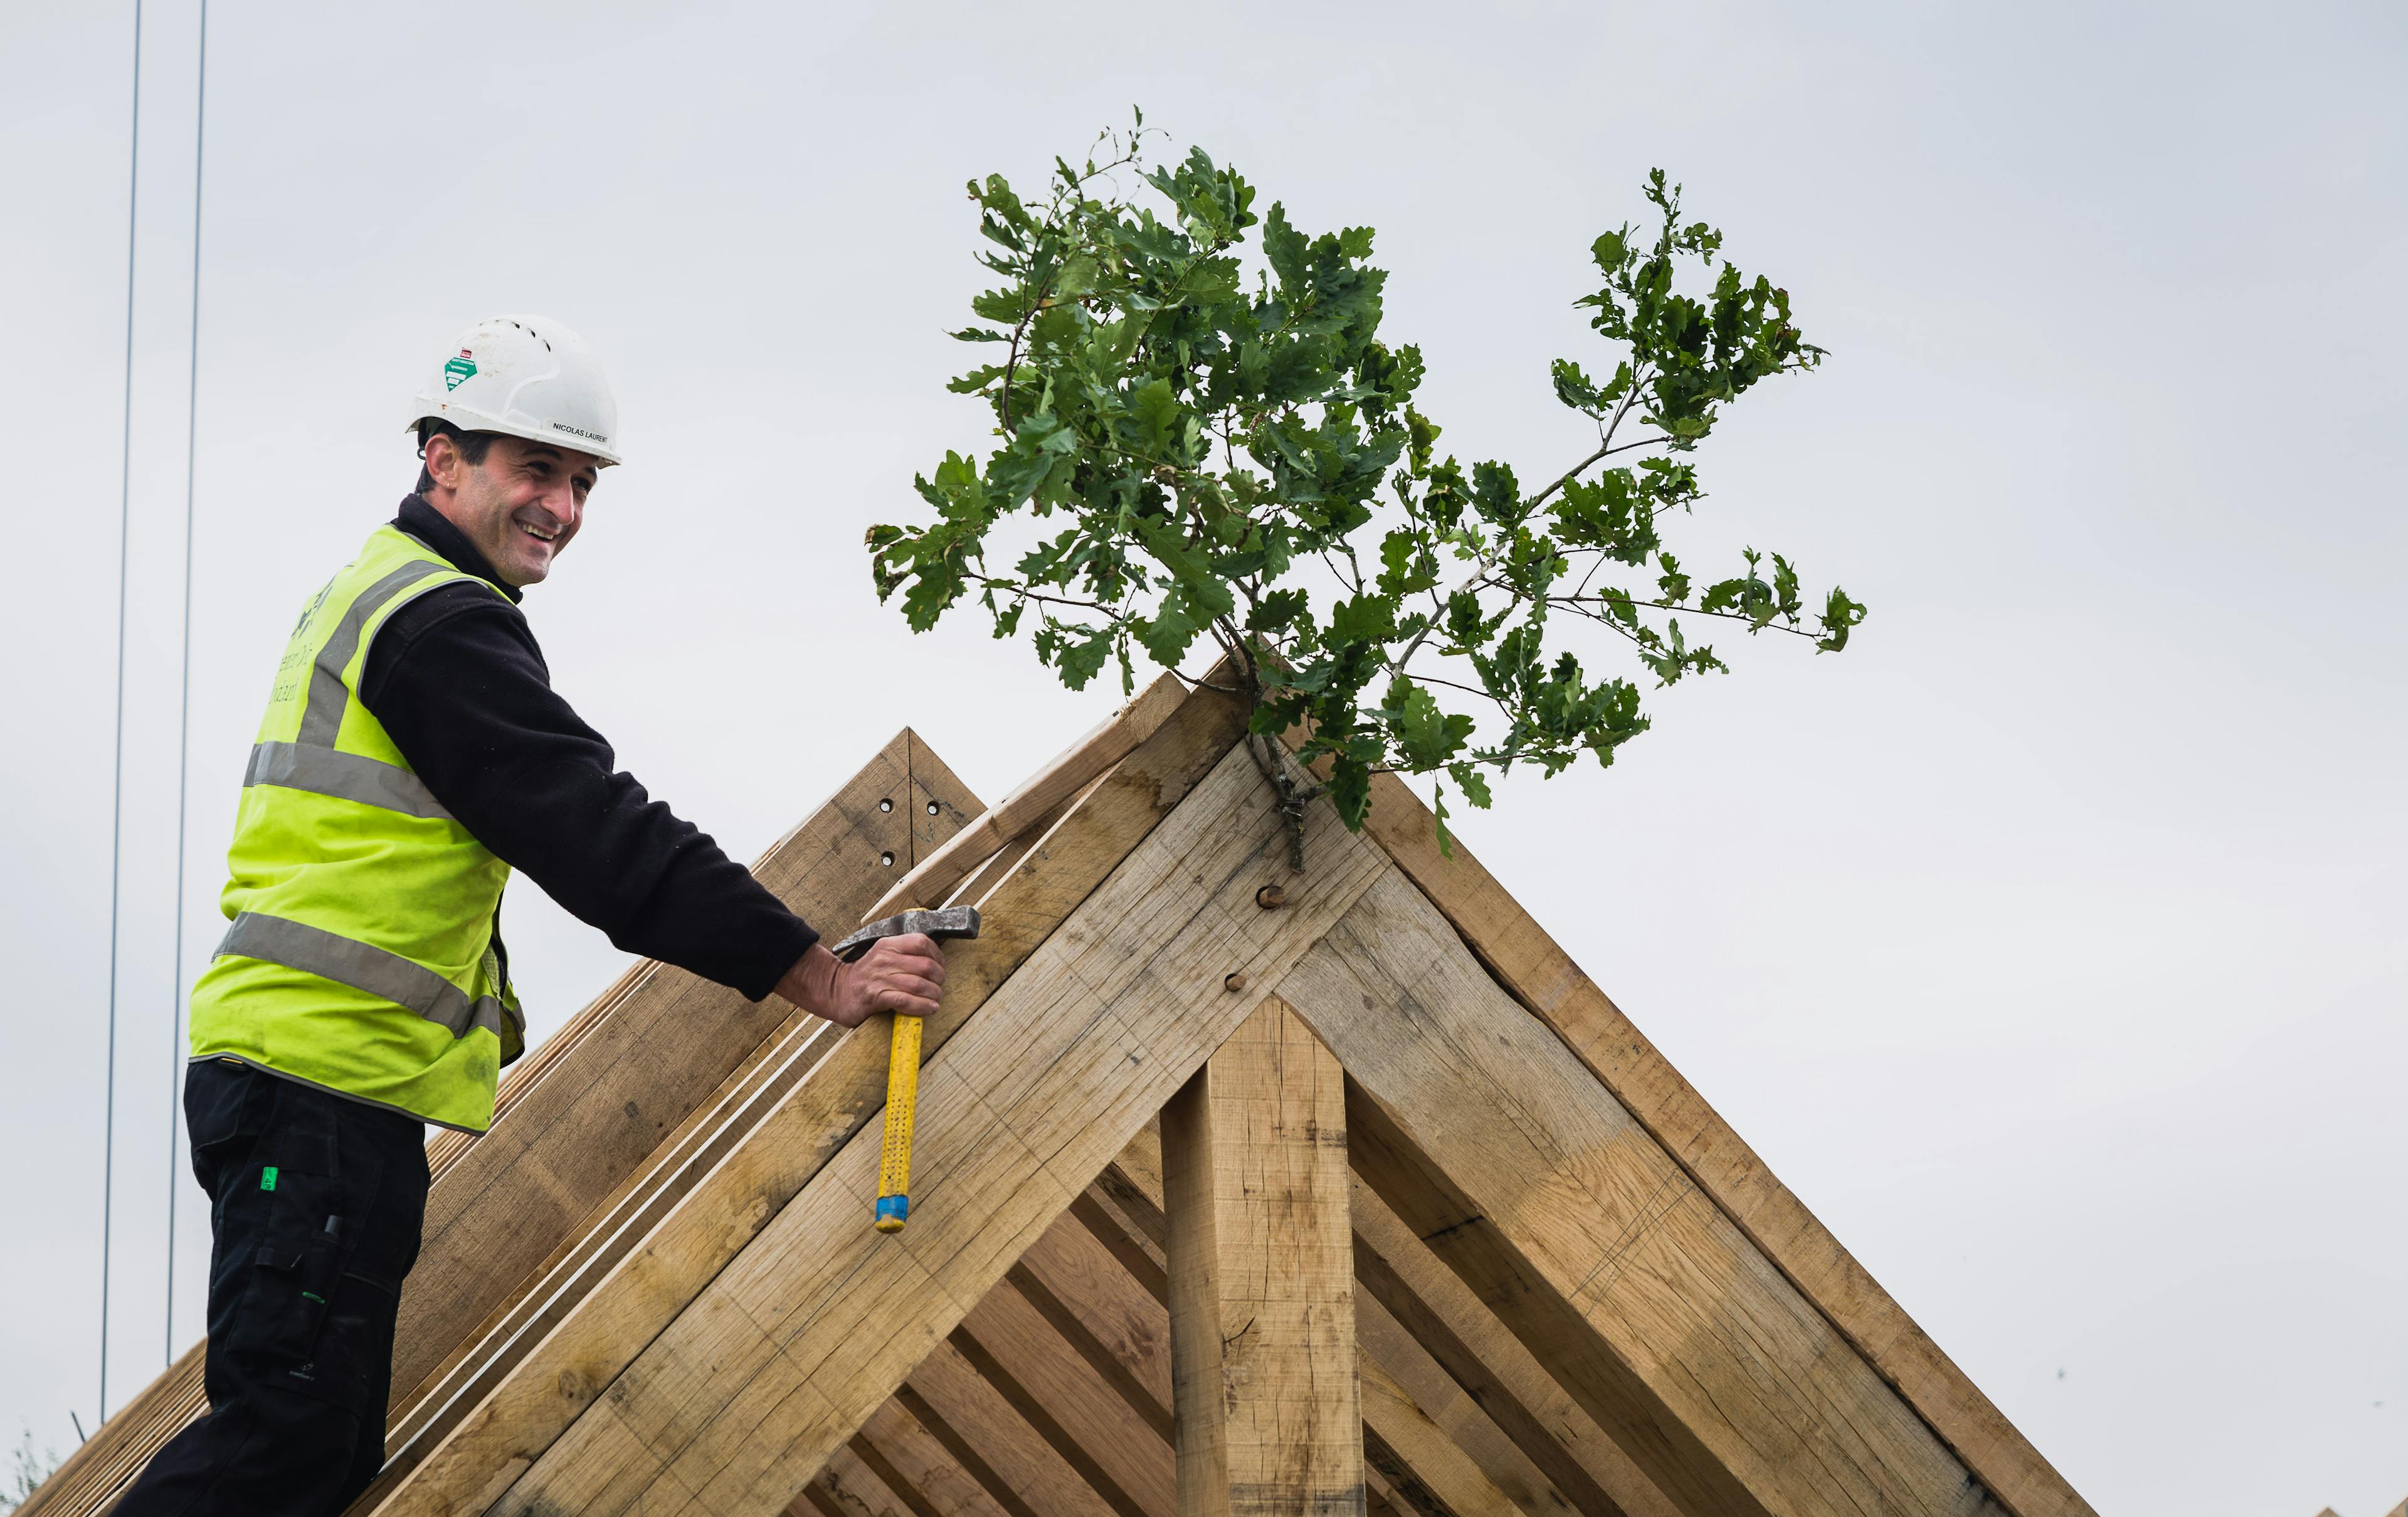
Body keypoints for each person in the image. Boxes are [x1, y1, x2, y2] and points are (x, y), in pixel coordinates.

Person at [115, 314, 946, 1516]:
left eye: (580, 480)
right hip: (320, 1086)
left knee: (324, 1459)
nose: (560, 506)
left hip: (329, 1084)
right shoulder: (436, 621)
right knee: (282, 1446)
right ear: (442, 458)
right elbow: (593, 832)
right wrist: (820, 978)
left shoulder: (389, 595)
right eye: (535, 469)